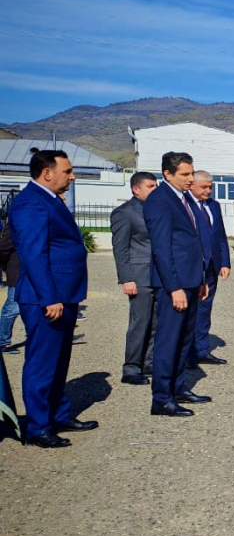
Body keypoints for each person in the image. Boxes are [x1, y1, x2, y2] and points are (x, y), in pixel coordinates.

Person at [9, 150, 97, 447]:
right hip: (45, 297)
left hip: (63, 294)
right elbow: (34, 255)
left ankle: (58, 415)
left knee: (59, 360)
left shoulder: (48, 200)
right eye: (68, 171)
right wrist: (49, 297)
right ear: (47, 173)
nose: (72, 176)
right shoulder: (31, 204)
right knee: (42, 362)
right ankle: (38, 427)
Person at [145, 152, 212, 417]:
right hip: (174, 284)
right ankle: (161, 397)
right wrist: (174, 288)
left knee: (185, 339)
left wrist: (201, 279)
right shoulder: (159, 201)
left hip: (192, 280)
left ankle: (178, 386)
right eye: (184, 174)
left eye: (191, 173)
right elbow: (162, 249)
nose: (190, 178)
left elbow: (194, 241)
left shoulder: (186, 199)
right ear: (167, 174)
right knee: (168, 340)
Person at [111, 172, 159, 385]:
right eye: (150, 186)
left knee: (157, 322)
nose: (155, 189)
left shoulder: (157, 211)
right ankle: (131, 368)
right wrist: (127, 278)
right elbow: (120, 249)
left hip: (159, 275)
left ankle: (149, 362)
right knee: (140, 321)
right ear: (135, 189)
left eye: (156, 185)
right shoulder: (125, 213)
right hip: (139, 275)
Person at [187, 171, 231, 367]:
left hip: (212, 268)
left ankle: (201, 350)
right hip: (192, 268)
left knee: (205, 310)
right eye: (203, 187)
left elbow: (220, 235)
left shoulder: (213, 206)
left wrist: (225, 262)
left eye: (210, 186)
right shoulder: (184, 205)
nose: (208, 190)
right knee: (188, 312)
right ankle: (186, 354)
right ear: (192, 186)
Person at [0, 223, 21, 353]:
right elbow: (2, 249)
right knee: (13, 307)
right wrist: (7, 268)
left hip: (32, 272)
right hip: (17, 271)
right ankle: (3, 341)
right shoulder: (15, 224)